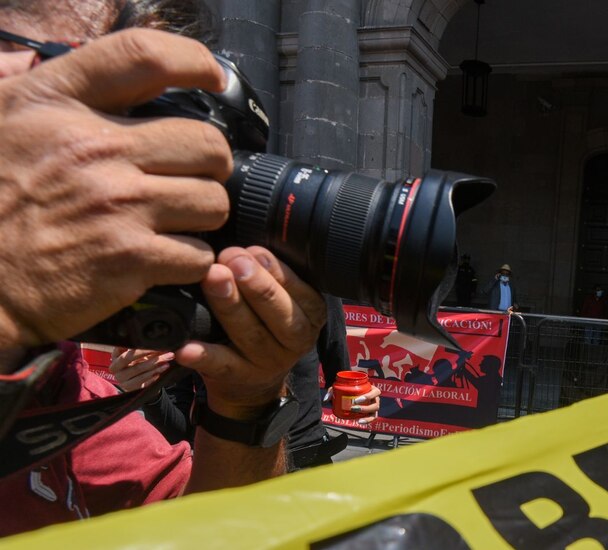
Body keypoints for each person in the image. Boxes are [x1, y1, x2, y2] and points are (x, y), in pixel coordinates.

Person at [0, 0, 363, 535]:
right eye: (86, 87)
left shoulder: (70, 401)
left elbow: (215, 532)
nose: (125, 161)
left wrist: (246, 405)